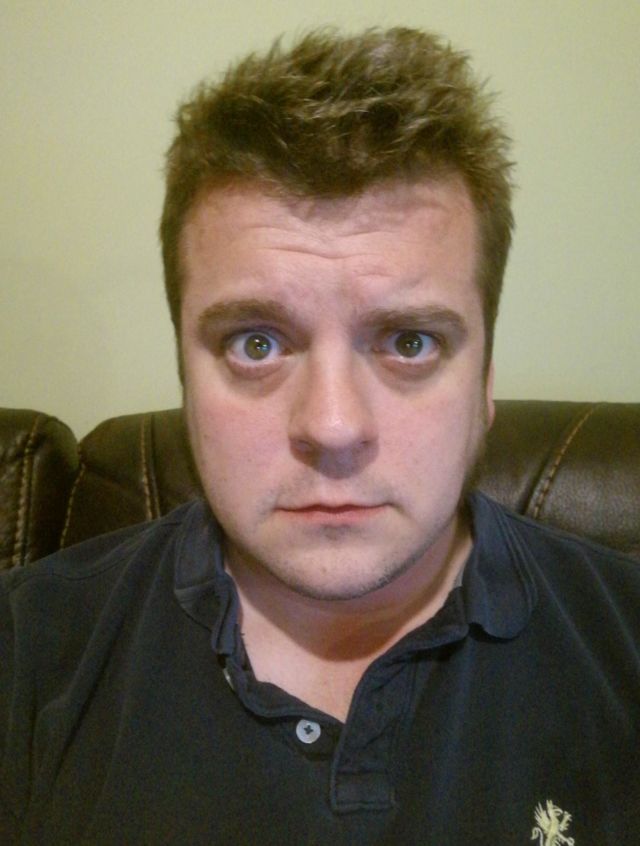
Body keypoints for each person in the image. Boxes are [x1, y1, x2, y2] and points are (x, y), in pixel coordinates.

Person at [1, 27, 639, 845]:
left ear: (485, 381)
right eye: (255, 343)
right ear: (184, 376)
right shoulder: (25, 655)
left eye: (409, 341)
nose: (333, 427)